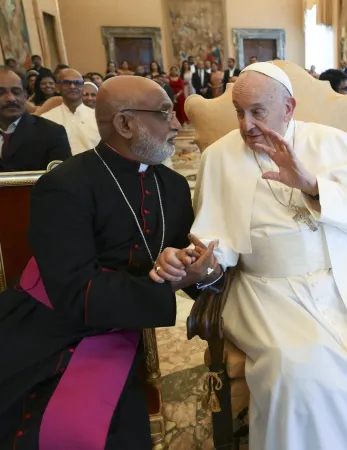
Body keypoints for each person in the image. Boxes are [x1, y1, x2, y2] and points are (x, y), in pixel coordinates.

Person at [187, 61, 347, 450]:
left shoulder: (332, 143)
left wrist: (311, 185)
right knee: (299, 373)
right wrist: (202, 264)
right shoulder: (219, 158)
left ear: (288, 108)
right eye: (239, 113)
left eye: (257, 111)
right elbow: (214, 241)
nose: (245, 125)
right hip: (268, 289)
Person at [0, 75, 218, 449]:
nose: (177, 125)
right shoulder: (64, 185)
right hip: (50, 327)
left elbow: (185, 259)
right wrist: (168, 284)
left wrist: (201, 270)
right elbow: (73, 292)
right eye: (165, 113)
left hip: (124, 324)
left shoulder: (174, 185)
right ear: (125, 124)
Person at [0, 67, 70, 172]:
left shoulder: (52, 133)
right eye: (1, 92)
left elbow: (64, 180)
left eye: (16, 92)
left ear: (25, 96)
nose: (11, 98)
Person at [42, 69, 100, 155]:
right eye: (66, 83)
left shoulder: (98, 118)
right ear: (57, 88)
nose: (72, 86)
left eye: (77, 83)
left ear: (83, 88)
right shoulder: (46, 119)